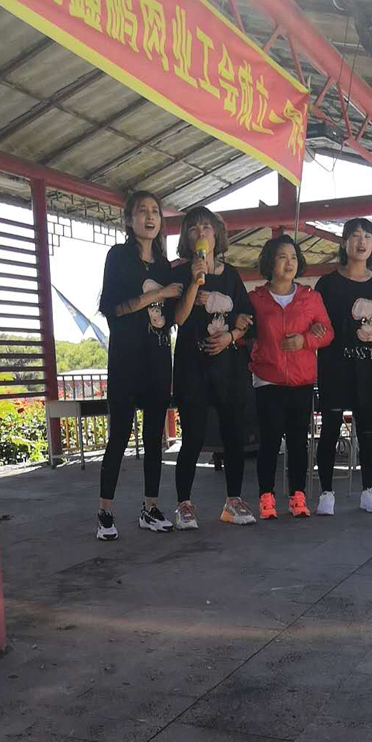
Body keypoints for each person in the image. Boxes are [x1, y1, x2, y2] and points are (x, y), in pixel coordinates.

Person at [96, 190, 183, 541]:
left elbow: (173, 317)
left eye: (155, 212)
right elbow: (113, 308)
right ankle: (105, 512)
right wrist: (158, 294)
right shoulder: (117, 257)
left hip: (158, 357)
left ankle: (151, 508)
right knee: (119, 434)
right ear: (129, 220)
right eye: (142, 211)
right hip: (125, 358)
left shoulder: (164, 266)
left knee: (153, 437)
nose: (150, 217)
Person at [170, 207, 256, 529]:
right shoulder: (179, 271)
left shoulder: (231, 275)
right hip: (192, 367)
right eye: (194, 229)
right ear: (186, 238)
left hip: (228, 367)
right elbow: (178, 319)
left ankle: (233, 501)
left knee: (232, 435)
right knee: (192, 436)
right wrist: (194, 282)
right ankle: (184, 504)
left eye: (206, 228)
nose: (201, 233)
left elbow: (246, 319)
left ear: (217, 235)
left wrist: (230, 336)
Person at [248, 235, 333, 519]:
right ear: (269, 262)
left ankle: (298, 496)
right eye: (283, 257)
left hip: (301, 379)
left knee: (299, 441)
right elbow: (244, 333)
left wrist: (306, 340)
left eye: (294, 257)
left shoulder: (311, 298)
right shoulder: (255, 299)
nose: (289, 263)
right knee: (270, 440)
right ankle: (266, 497)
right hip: (267, 378)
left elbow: (327, 332)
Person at [315, 218, 372, 516]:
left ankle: (368, 491)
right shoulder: (327, 284)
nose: (361, 242)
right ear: (344, 243)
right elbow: (318, 324)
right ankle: (326, 494)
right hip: (335, 367)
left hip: (369, 368)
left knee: (368, 432)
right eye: (355, 236)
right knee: (330, 429)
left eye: (367, 236)